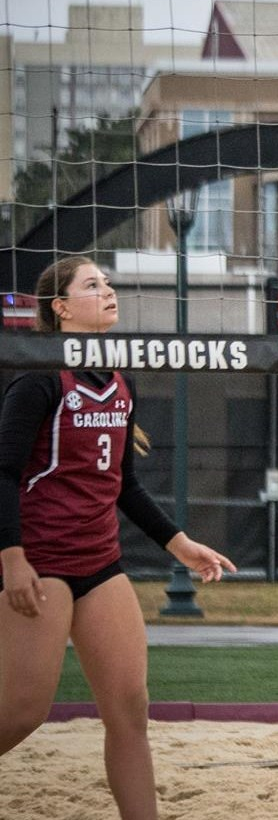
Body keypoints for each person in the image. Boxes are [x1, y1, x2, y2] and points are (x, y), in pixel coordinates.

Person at [0, 255, 236, 820]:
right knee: (22, 712)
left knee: (130, 711)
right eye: (92, 284)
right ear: (61, 309)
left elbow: (123, 482)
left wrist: (179, 544)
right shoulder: (37, 378)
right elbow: (3, 473)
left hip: (99, 563)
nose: (108, 290)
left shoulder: (122, 379)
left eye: (108, 282)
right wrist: (12, 560)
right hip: (41, 561)